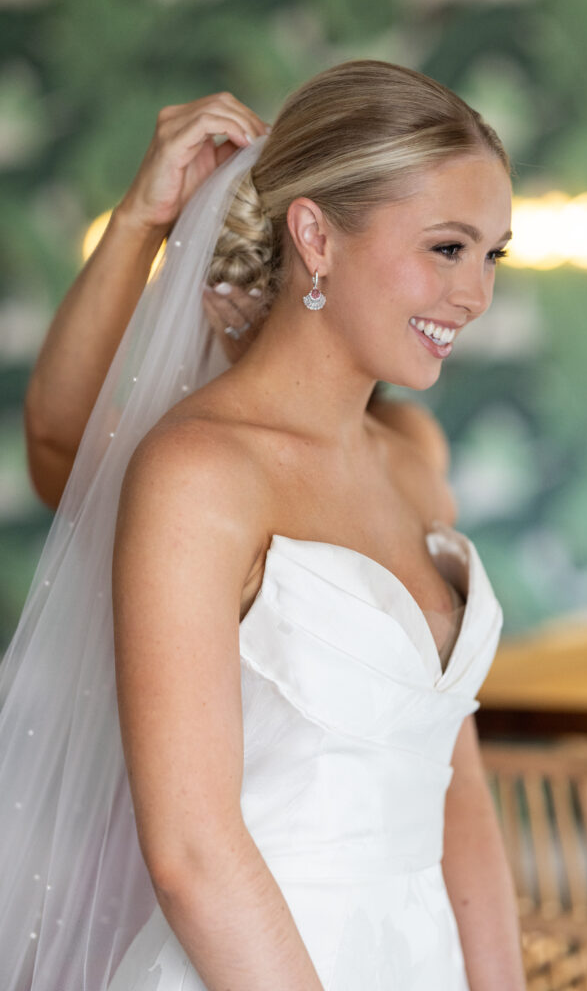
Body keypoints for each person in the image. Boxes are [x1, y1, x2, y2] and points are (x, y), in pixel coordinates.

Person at [3, 60, 525, 990]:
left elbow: (457, 792)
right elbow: (193, 854)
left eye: (492, 254)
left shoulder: (413, 455)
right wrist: (139, 224)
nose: (475, 295)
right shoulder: (198, 474)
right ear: (316, 235)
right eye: (447, 248)